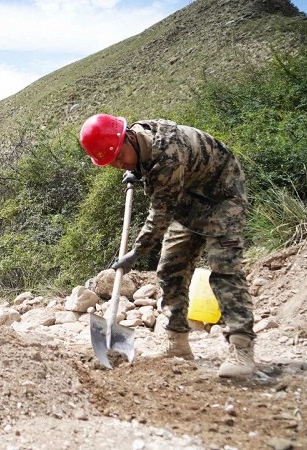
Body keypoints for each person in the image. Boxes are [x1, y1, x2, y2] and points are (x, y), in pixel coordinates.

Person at [78, 113, 256, 379]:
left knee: (224, 270)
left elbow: (160, 215)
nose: (117, 164)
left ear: (127, 138)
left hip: (221, 198)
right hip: (188, 201)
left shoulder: (167, 157)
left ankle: (241, 348)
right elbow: (148, 171)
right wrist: (135, 169)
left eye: (119, 157)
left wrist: (135, 253)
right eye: (111, 162)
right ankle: (177, 344)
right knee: (170, 268)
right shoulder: (138, 138)